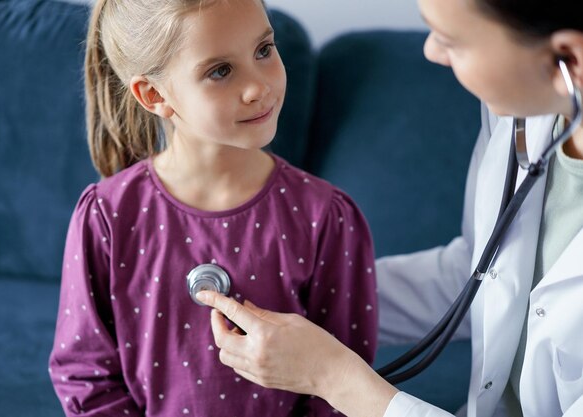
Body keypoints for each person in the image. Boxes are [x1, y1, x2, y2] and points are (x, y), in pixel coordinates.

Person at [197, 0, 583, 416]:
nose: (430, 51)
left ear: (569, 60)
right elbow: (483, 276)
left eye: (452, 40)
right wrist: (310, 291)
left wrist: (331, 376)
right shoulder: (526, 116)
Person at [47, 0, 379, 415]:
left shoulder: (327, 217)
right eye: (220, 71)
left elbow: (343, 384)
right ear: (154, 94)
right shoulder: (107, 217)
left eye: (263, 50)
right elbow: (86, 375)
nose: (259, 86)